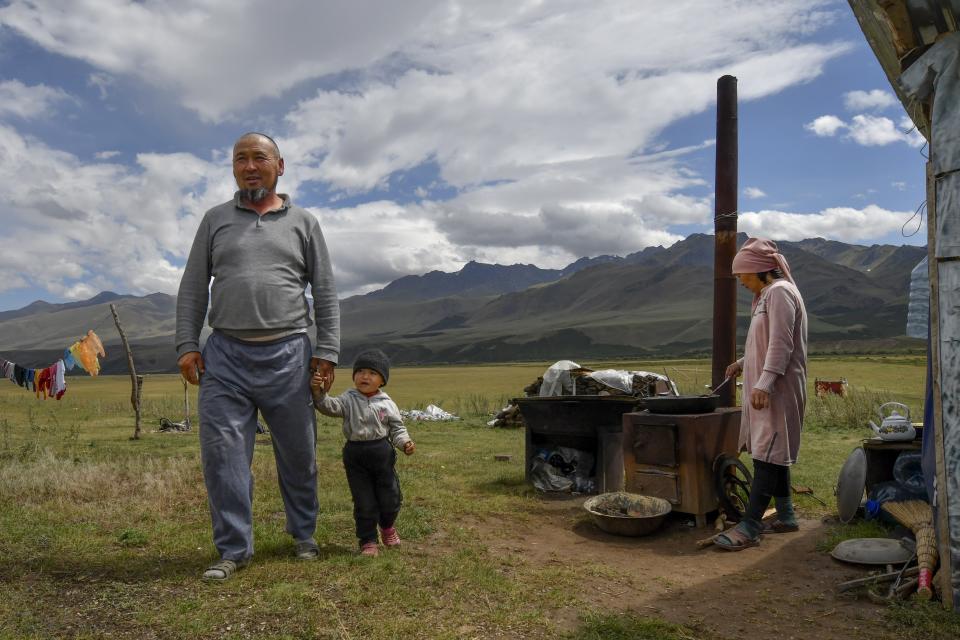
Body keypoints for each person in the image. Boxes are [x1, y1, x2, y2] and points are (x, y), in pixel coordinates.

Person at [175, 132, 340, 581]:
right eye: (241, 159)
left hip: (289, 352)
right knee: (222, 455)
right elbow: (192, 287)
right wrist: (187, 344)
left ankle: (304, 534)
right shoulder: (215, 220)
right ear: (233, 167)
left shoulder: (304, 222)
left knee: (299, 452)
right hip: (225, 355)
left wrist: (326, 350)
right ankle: (233, 549)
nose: (250, 166)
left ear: (279, 166)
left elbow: (324, 291)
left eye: (259, 158)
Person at [714, 237, 808, 551]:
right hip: (768, 385)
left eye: (742, 275)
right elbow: (767, 342)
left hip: (776, 389)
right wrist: (744, 363)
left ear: (758, 270)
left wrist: (764, 383)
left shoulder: (780, 293)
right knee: (773, 451)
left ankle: (751, 526)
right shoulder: (768, 295)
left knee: (766, 455)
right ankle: (786, 515)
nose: (740, 281)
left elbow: (782, 344)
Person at [311, 349, 415, 557]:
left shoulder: (387, 403)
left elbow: (397, 428)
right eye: (360, 372)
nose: (365, 376)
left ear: (382, 380)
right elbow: (329, 407)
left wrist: (404, 443)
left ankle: (387, 528)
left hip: (382, 453)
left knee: (390, 498)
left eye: (372, 373)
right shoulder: (348, 399)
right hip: (355, 454)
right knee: (363, 500)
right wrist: (318, 393)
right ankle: (368, 540)